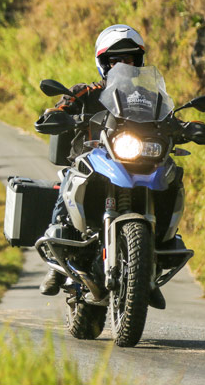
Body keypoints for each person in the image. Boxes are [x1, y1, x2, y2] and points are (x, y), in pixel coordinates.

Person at [39, 24, 147, 296]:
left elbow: (166, 117)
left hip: (133, 163)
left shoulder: (146, 97)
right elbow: (60, 106)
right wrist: (54, 114)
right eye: (115, 60)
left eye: (129, 59)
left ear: (138, 62)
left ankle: (147, 266)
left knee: (169, 176)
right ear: (103, 63)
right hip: (92, 160)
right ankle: (56, 260)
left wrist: (186, 126)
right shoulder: (85, 92)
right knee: (68, 182)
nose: (123, 65)